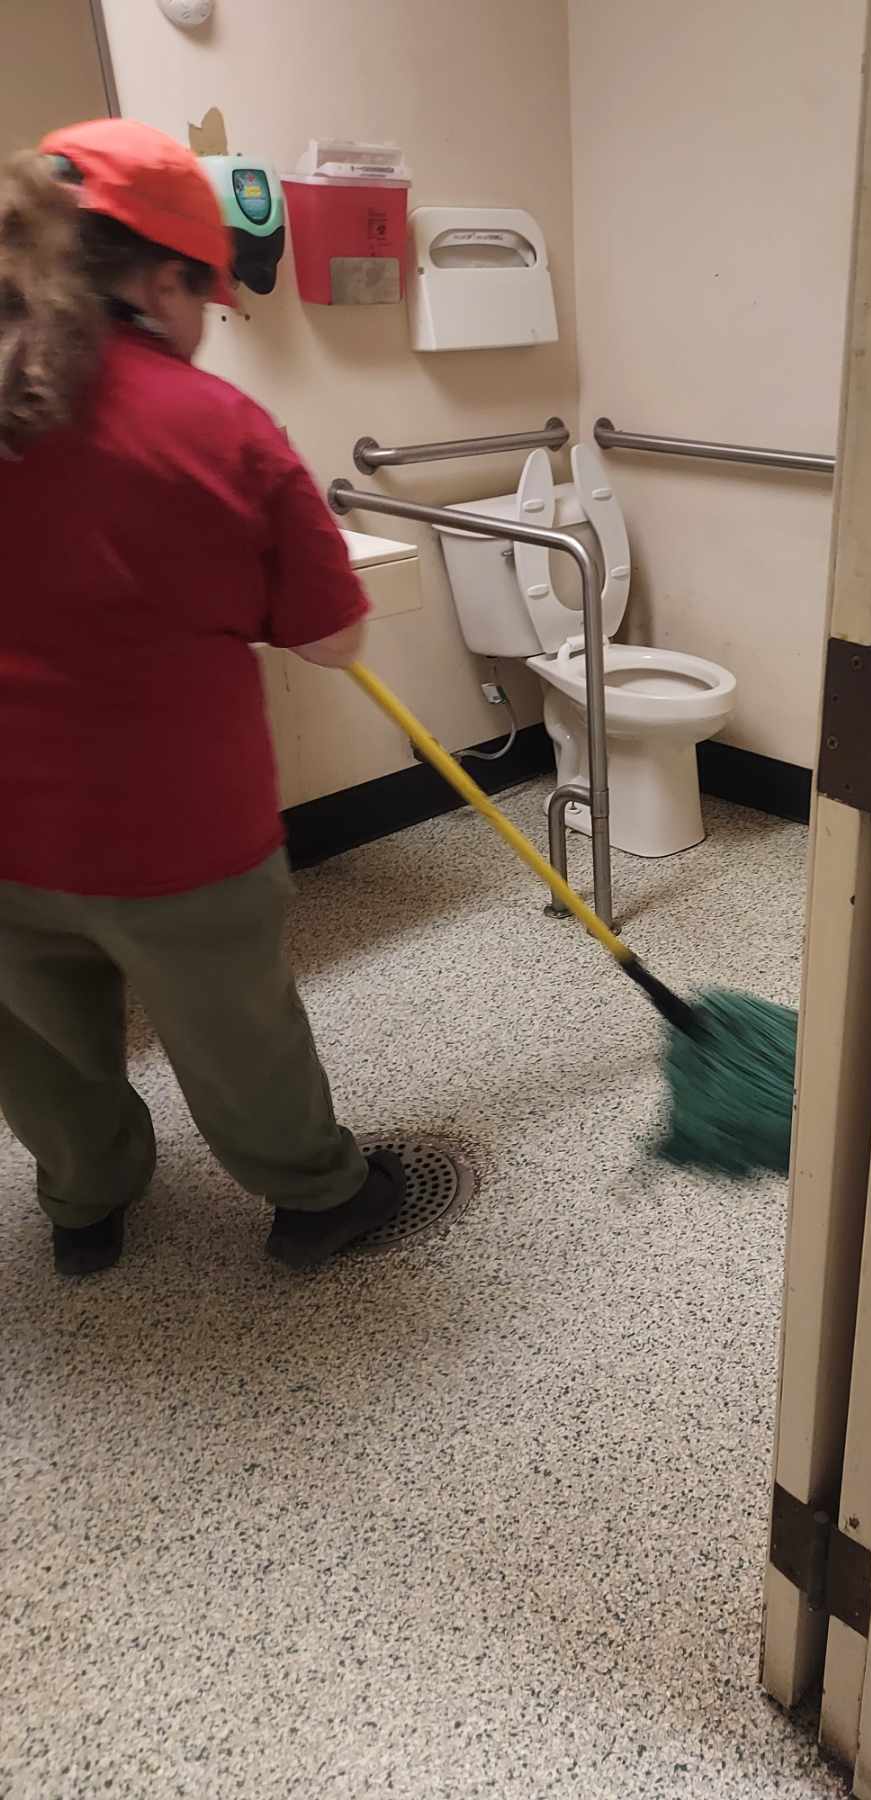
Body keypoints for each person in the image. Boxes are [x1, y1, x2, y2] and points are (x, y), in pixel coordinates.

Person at [0, 119, 404, 1276]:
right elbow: (332, 642)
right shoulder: (212, 426)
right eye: (208, 302)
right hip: (174, 833)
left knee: (37, 1045)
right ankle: (318, 1197)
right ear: (166, 276)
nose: (205, 333)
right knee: (236, 1031)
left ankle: (84, 1207)